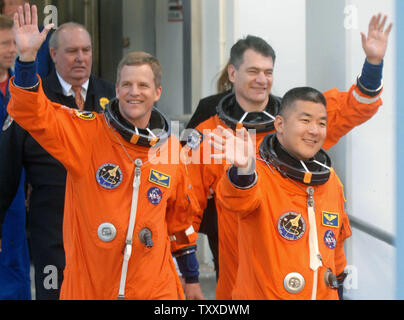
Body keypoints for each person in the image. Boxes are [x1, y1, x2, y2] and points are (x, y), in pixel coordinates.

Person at [184, 14, 392, 299]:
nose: (262, 79)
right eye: (253, 71)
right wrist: (189, 273)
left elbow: (351, 107)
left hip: (298, 256)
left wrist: (373, 65)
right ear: (232, 73)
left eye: (268, 72)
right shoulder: (213, 129)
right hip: (237, 258)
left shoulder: (298, 119)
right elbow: (186, 201)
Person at [7, 4, 201, 300]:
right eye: (126, 84)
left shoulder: (170, 149)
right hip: (92, 286)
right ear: (117, 88)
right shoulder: (88, 132)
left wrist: (191, 277)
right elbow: (31, 113)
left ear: (157, 92)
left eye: (143, 85)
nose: (134, 91)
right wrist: (27, 59)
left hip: (152, 288)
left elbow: (180, 219)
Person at [0, 21, 115, 299]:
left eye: (86, 50)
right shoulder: (32, 99)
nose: (81, 58)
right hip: (52, 231)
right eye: (72, 51)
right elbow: (6, 171)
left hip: (107, 232)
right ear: (52, 54)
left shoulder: (113, 98)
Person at [209, 86, 352, 300]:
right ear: (280, 124)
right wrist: (244, 171)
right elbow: (235, 201)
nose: (314, 130)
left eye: (321, 123)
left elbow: (336, 246)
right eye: (305, 120)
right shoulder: (259, 174)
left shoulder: (331, 181)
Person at [0, 13, 31, 300]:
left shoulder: (21, 87)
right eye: (4, 43)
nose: (11, 49)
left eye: (13, 43)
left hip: (16, 191)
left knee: (14, 257)